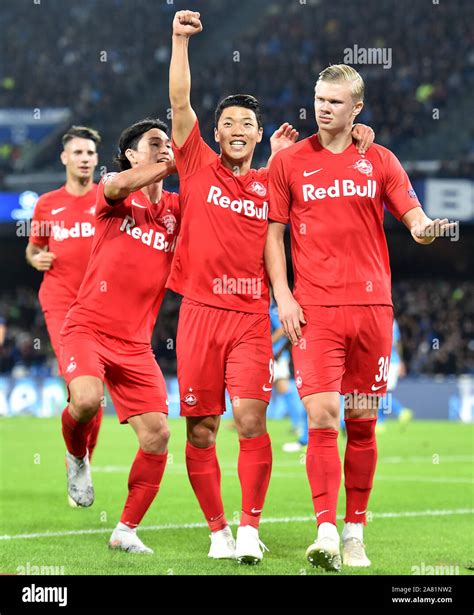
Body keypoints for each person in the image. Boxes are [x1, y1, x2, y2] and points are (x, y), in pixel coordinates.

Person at [168, 10, 374, 564]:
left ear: (260, 136)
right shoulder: (197, 167)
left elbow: (322, 166)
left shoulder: (271, 183)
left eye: (247, 125)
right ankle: (217, 531)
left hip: (251, 318)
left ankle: (249, 528)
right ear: (216, 133)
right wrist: (180, 42)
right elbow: (181, 104)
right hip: (197, 315)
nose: (237, 130)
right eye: (229, 123)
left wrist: (355, 139)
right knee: (202, 428)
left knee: (251, 420)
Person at [265, 64, 456, 571]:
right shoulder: (289, 163)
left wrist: (427, 230)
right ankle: (326, 529)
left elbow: (413, 220)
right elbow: (274, 237)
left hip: (372, 313)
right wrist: (283, 296)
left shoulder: (380, 160)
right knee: (322, 416)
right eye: (318, 99)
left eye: (334, 101)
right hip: (315, 313)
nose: (323, 108)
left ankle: (355, 531)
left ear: (356, 108)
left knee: (362, 423)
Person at [59, 118, 180, 554]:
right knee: (88, 400)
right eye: (155, 143)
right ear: (131, 154)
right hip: (88, 327)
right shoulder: (114, 191)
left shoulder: (176, 212)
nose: (166, 148)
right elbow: (117, 187)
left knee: (159, 436)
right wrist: (170, 164)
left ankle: (125, 530)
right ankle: (77, 457)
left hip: (135, 344)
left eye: (169, 143)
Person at [26, 126, 104, 465]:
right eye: (78, 153)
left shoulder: (107, 199)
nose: (84, 159)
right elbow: (34, 248)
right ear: (64, 158)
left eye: (89, 153)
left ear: (96, 159)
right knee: (80, 388)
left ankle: (83, 460)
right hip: (61, 305)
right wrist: (35, 258)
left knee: (94, 393)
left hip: (102, 305)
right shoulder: (48, 205)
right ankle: (79, 457)